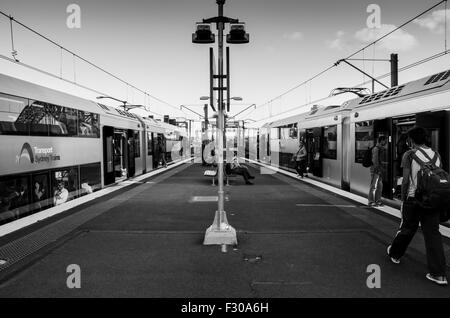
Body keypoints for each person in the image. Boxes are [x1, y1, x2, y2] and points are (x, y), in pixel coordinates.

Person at [387, 126, 447, 286]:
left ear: (411, 140)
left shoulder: (409, 154)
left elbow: (405, 179)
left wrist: (403, 197)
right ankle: (439, 274)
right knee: (433, 235)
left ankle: (395, 254)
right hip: (432, 201)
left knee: (407, 228)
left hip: (414, 199)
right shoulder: (437, 155)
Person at [368, 135, 387, 207]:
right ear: (381, 140)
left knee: (379, 186)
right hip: (375, 170)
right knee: (373, 186)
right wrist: (378, 169)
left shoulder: (381, 148)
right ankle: (371, 201)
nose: (385, 142)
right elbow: (375, 160)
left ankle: (378, 200)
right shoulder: (376, 149)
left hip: (379, 170)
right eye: (384, 140)